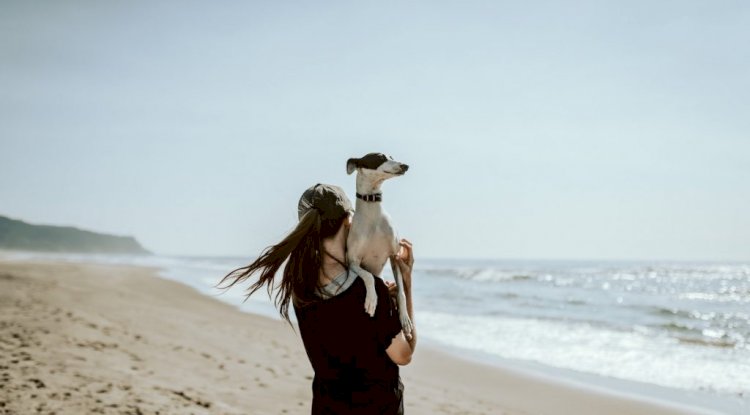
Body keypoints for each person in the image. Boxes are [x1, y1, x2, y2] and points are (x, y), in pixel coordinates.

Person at [217, 183, 417, 414]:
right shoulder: (368, 290)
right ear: (348, 222)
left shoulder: (301, 285)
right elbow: (404, 355)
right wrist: (406, 284)